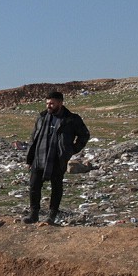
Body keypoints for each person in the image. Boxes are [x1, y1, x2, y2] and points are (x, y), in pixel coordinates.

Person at [24, 90, 90, 225]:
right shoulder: (42, 117)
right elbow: (34, 138)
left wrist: (70, 150)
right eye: (47, 103)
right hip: (39, 157)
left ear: (60, 103)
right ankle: (33, 214)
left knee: (56, 187)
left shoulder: (71, 119)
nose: (49, 106)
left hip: (57, 159)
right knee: (34, 186)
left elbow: (84, 135)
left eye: (52, 103)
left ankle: (52, 215)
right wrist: (29, 159)